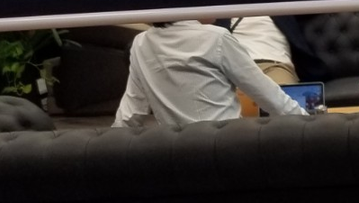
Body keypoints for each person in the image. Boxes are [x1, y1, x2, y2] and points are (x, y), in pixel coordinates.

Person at [113, 20, 308, 128]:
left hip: (176, 155)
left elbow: (129, 116)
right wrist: (311, 125)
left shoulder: (140, 43)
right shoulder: (216, 37)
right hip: (225, 149)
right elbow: (271, 99)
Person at [226, 15, 297, 84]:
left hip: (276, 66)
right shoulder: (223, 14)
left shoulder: (282, 11)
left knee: (284, 89)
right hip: (236, 68)